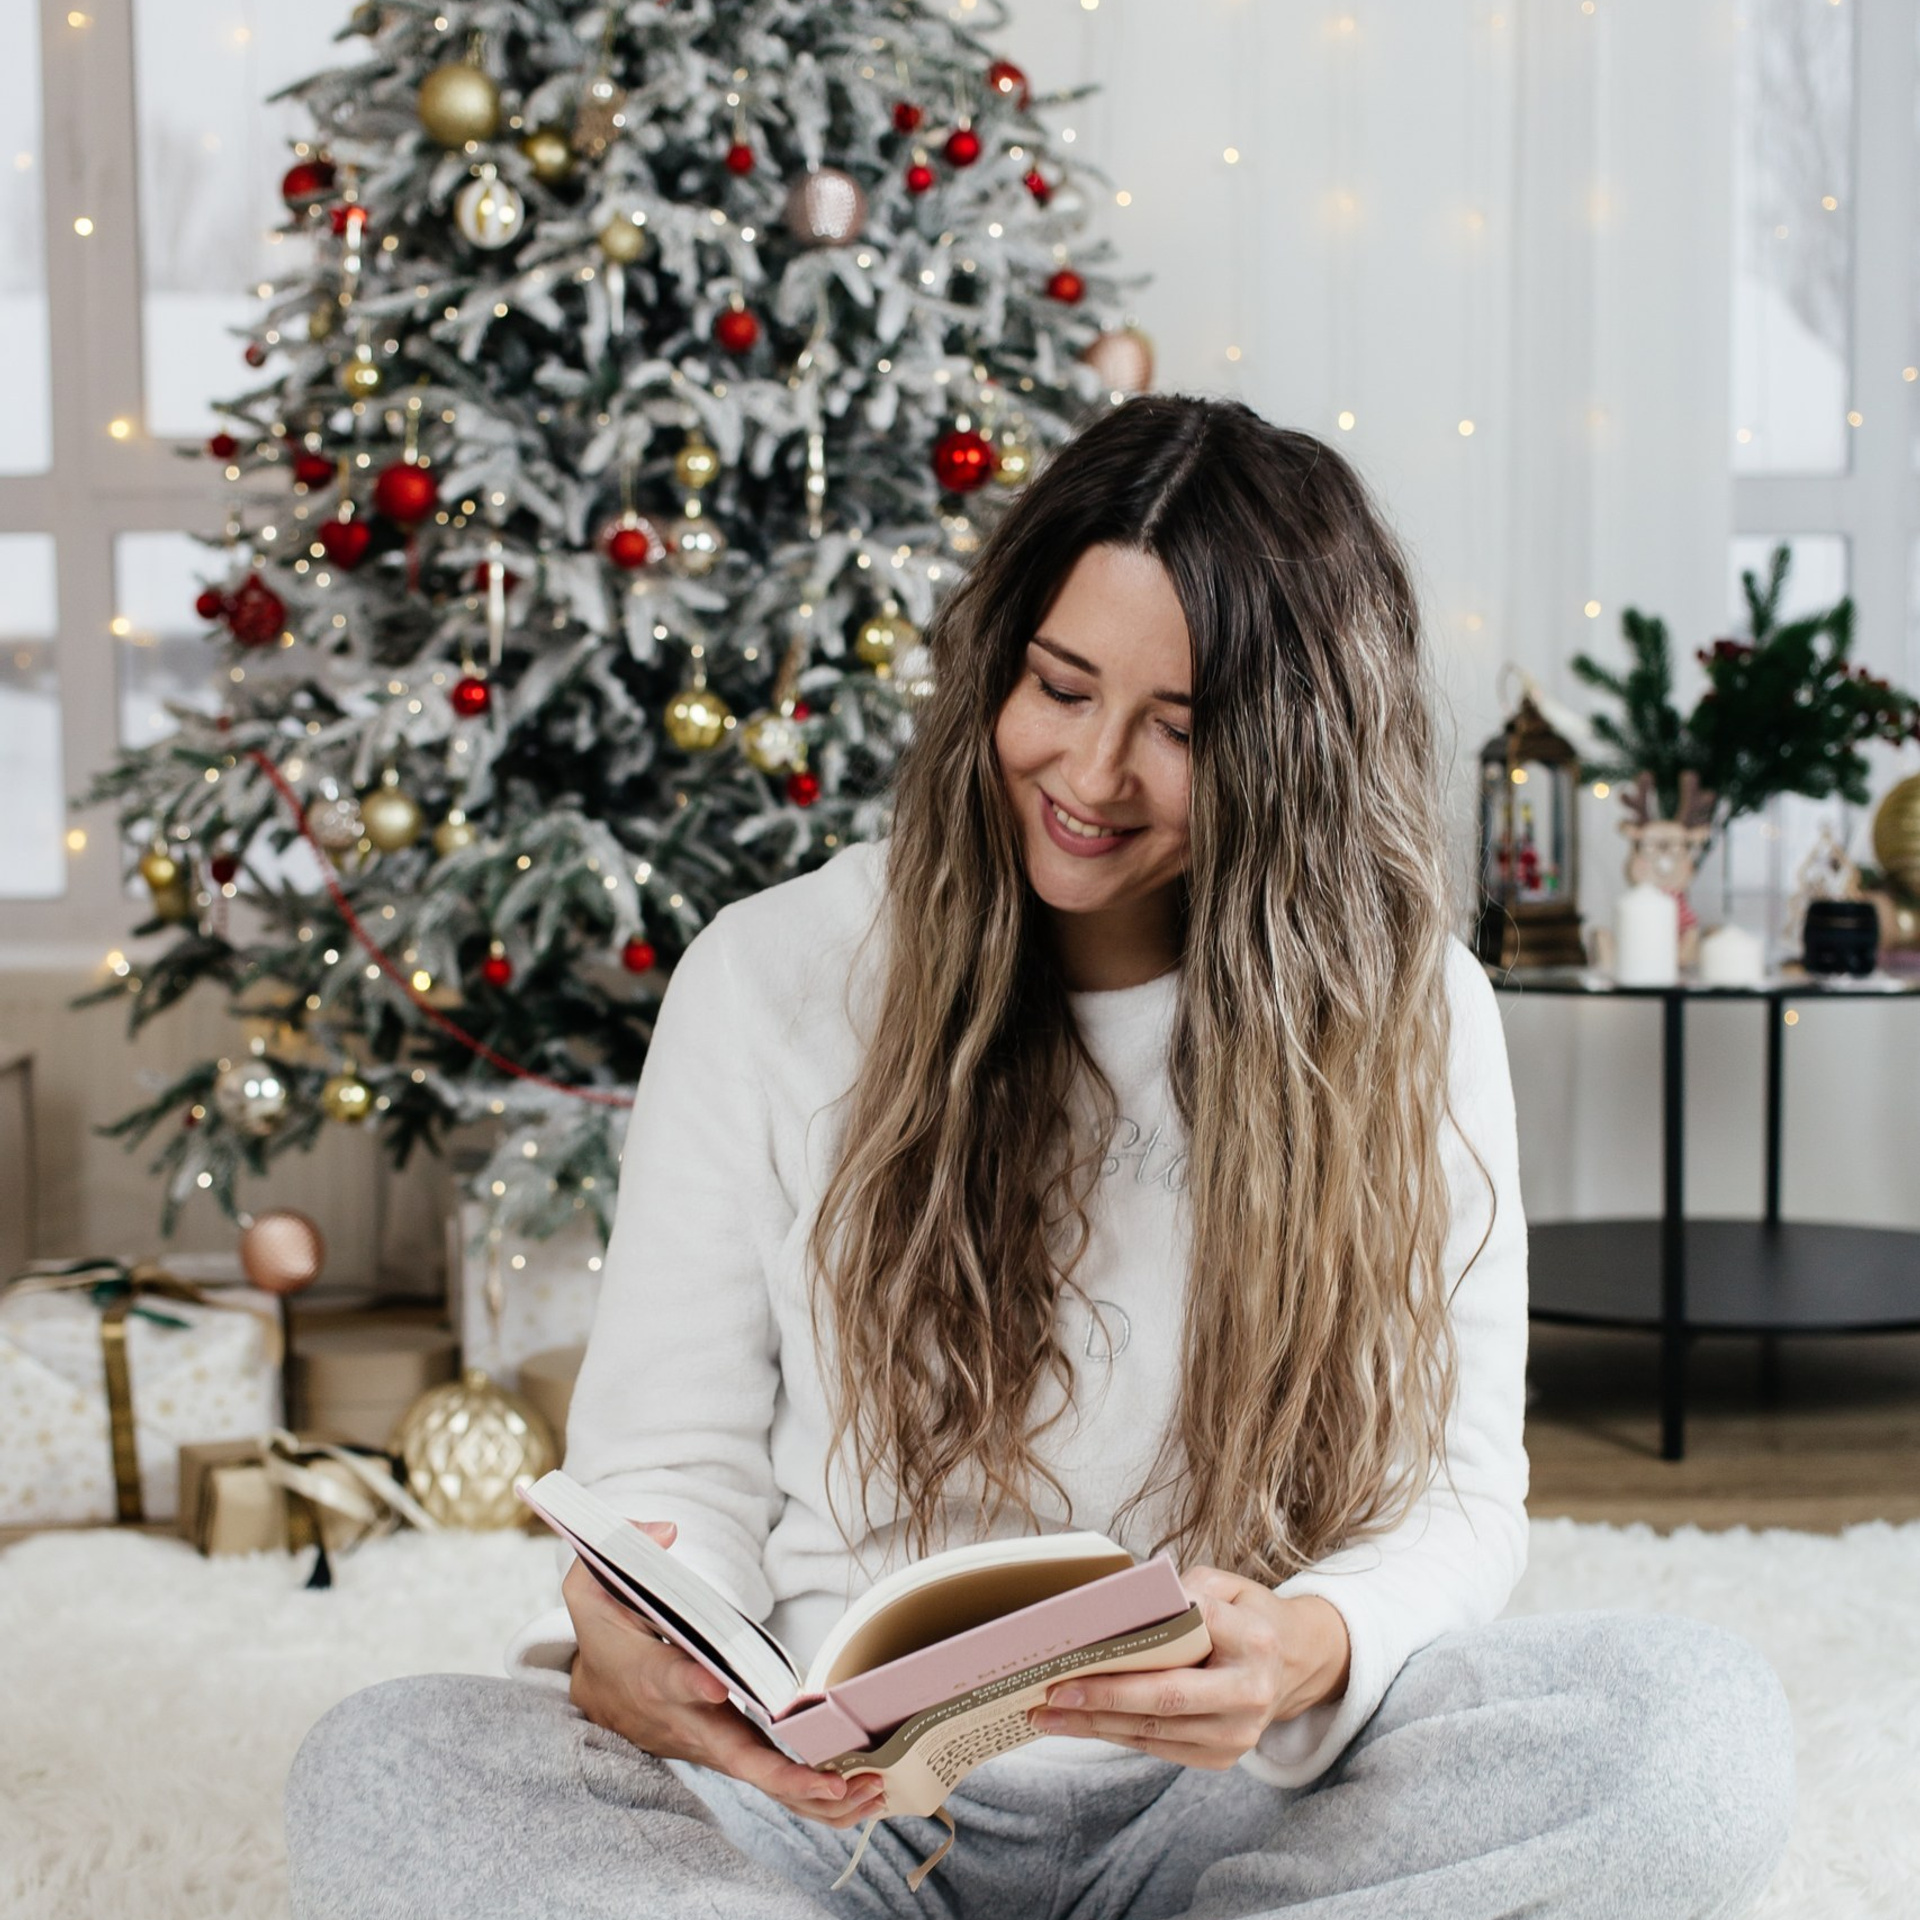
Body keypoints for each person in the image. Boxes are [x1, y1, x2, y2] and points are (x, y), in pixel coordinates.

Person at [285, 396, 1794, 1919]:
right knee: (387, 1762)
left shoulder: (1411, 1011)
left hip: (1236, 1810)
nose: (1090, 772)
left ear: (1289, 757)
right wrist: (648, 1632)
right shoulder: (769, 976)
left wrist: (1305, 1649)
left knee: (1693, 1735)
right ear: (997, 665)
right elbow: (669, 1461)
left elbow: (1456, 1501)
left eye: (1181, 730)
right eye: (1059, 687)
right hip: (832, 1817)